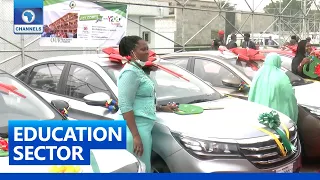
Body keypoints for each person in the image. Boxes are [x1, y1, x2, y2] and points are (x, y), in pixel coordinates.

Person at [117, 35, 178, 172]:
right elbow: (126, 105)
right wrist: (136, 136)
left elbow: (142, 100)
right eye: (143, 49)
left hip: (142, 127)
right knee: (139, 169)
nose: (147, 52)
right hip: (134, 129)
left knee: (144, 167)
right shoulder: (129, 73)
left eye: (147, 48)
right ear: (132, 52)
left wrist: (163, 108)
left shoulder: (138, 70)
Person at [248, 53, 298, 123]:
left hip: (260, 115)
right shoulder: (281, 76)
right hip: (278, 117)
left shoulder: (258, 74)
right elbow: (289, 95)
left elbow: (252, 93)